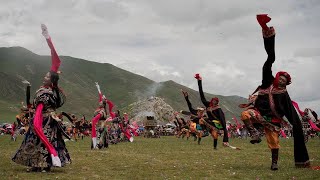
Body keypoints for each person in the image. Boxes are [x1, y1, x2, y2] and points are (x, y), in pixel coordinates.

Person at [240, 14, 310, 170]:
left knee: (273, 143)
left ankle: (274, 163)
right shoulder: (267, 82)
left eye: (286, 81)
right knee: (245, 114)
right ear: (277, 77)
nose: (283, 81)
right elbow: (269, 60)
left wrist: (298, 128)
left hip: (273, 120)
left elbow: (292, 114)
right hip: (258, 114)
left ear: (286, 84)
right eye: (281, 78)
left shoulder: (283, 94)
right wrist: (266, 32)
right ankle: (254, 134)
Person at [12, 24, 71, 172]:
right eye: (45, 75)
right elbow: (55, 59)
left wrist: (35, 113)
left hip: (46, 119)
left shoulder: (47, 92)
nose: (44, 77)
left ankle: (46, 165)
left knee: (44, 140)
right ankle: (37, 165)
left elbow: (56, 62)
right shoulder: (44, 89)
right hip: (40, 118)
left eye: (46, 76)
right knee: (36, 140)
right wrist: (47, 37)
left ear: (51, 80)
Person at [194, 74, 229, 148]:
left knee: (214, 135)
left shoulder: (218, 109)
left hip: (217, 124)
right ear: (212, 100)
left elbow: (222, 119)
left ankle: (215, 147)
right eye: (213, 100)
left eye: (215, 101)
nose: (214, 102)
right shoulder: (208, 105)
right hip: (209, 122)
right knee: (201, 120)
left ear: (217, 102)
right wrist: (199, 81)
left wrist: (225, 138)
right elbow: (202, 95)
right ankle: (205, 132)